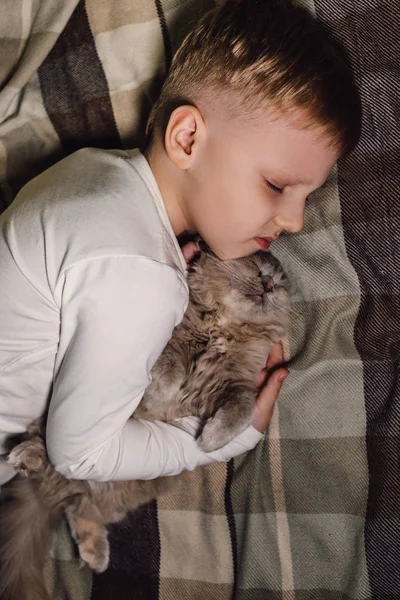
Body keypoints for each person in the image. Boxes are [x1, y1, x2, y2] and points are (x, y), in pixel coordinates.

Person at [0, 0, 361, 487]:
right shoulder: (144, 278)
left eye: (305, 196)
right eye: (277, 185)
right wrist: (228, 438)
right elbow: (79, 455)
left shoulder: (91, 170)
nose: (295, 222)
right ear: (188, 138)